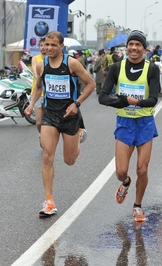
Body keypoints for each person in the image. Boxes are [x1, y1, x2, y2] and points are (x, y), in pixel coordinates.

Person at [24, 31, 95, 218]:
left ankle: (79, 134)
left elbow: (90, 84)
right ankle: (49, 201)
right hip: (50, 115)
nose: (49, 48)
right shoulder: (41, 65)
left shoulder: (71, 63)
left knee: (69, 161)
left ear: (61, 47)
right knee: (47, 155)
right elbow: (39, 88)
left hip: (70, 115)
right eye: (47, 45)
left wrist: (76, 103)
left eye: (53, 45)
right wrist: (31, 105)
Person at [99, 30, 160, 224]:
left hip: (144, 123)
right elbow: (103, 96)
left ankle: (137, 206)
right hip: (124, 123)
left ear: (144, 48)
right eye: (131, 44)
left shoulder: (152, 69)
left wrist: (135, 103)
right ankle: (126, 183)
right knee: (120, 172)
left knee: (142, 169)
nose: (134, 48)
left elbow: (153, 100)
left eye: (138, 45)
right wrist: (121, 102)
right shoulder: (117, 68)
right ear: (127, 48)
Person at [31, 38, 47, 139]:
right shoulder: (35, 58)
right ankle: (41, 134)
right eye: (41, 45)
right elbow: (35, 72)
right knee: (39, 121)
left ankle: (46, 138)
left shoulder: (51, 59)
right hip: (37, 92)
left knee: (48, 120)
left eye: (45, 45)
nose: (43, 47)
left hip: (48, 93)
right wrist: (40, 79)